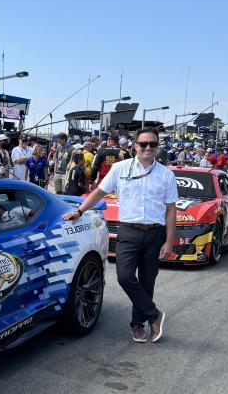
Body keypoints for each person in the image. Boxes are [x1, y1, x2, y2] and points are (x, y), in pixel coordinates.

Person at [63, 127, 177, 343]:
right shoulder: (119, 168)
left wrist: (169, 241)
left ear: (157, 147)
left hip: (155, 233)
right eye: (143, 144)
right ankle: (155, 316)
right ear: (135, 146)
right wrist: (79, 211)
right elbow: (98, 192)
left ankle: (138, 325)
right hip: (128, 231)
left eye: (152, 144)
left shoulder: (166, 174)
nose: (148, 148)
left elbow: (171, 209)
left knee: (147, 282)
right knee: (124, 277)